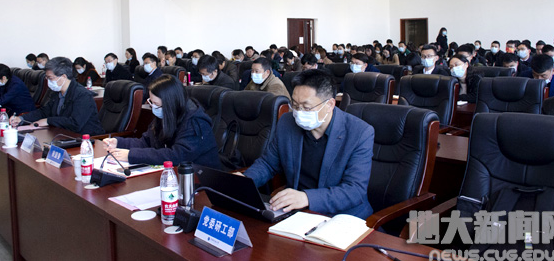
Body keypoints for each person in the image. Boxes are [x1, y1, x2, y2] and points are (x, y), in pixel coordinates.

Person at [242, 69, 374, 218]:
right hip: (299, 213)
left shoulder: (359, 133)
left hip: (342, 216)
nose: (299, 112)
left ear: (330, 104)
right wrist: (244, 181)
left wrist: (307, 198)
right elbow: (268, 164)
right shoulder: (287, 122)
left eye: (306, 107)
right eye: (295, 105)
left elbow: (354, 190)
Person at [103, 74, 221, 168]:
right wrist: (119, 143)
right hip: (174, 172)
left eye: (156, 104)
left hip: (200, 178)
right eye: (151, 102)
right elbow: (147, 141)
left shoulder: (195, 122)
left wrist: (131, 155)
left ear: (170, 104)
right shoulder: (166, 114)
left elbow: (177, 156)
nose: (153, 107)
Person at [12, 57, 104, 135]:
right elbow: (44, 111)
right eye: (47, 78)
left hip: (86, 139)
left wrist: (48, 121)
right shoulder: (57, 92)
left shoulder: (82, 95)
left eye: (50, 78)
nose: (48, 81)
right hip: (62, 134)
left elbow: (75, 124)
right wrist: (22, 119)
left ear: (63, 77)